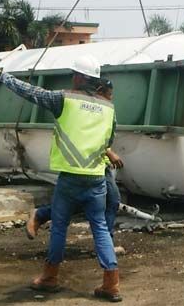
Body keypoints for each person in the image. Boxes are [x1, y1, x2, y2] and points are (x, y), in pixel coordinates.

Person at [0, 51, 122, 302]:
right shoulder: (108, 108)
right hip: (95, 178)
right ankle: (111, 284)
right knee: (100, 228)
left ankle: (49, 278)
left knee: (59, 227)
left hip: (69, 178)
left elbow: (29, 91)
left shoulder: (64, 99)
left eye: (73, 75)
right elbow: (109, 140)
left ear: (78, 78)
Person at [26, 78, 125, 254]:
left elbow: (102, 136)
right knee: (102, 204)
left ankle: (41, 216)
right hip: (90, 167)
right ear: (99, 90)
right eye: (108, 94)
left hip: (99, 166)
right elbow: (88, 135)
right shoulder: (86, 104)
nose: (110, 99)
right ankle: (106, 249)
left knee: (107, 201)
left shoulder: (105, 107)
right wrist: (109, 152)